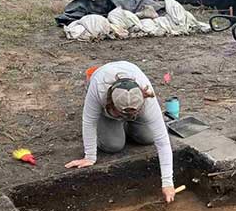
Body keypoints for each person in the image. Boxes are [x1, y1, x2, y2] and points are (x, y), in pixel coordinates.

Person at [65, 61, 176, 203]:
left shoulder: (146, 95)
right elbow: (89, 121)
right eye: (121, 114)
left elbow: (162, 140)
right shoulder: (98, 89)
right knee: (113, 145)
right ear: (110, 104)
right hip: (104, 94)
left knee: (148, 137)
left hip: (131, 97)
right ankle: (113, 124)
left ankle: (127, 125)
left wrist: (167, 183)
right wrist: (90, 156)